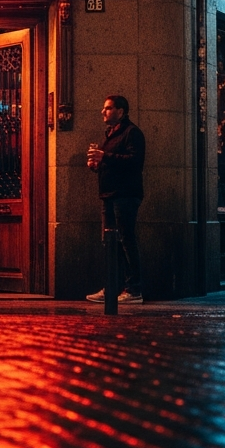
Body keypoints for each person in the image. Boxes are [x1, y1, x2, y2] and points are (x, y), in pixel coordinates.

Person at [86, 95, 146, 304]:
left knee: (126, 241)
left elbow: (135, 161)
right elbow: (112, 162)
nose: (103, 112)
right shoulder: (110, 134)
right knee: (110, 243)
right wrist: (97, 165)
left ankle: (134, 288)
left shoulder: (132, 133)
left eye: (108, 108)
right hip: (109, 196)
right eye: (104, 108)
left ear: (121, 111)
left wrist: (105, 157)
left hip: (125, 196)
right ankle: (113, 286)